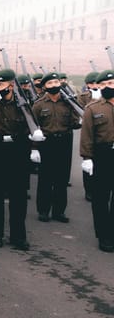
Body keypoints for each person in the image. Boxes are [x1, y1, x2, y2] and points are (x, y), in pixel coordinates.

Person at [0, 69, 31, 250]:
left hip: (18, 152)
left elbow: (31, 125)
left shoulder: (23, 103)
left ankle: (18, 236)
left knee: (18, 196)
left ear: (12, 85)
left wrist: (34, 144)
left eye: (2, 84)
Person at [31, 72, 81, 223]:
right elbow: (32, 127)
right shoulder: (39, 105)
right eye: (50, 83)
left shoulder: (68, 102)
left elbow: (74, 123)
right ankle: (44, 210)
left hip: (64, 142)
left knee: (62, 178)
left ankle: (59, 211)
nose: (54, 86)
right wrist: (34, 148)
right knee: (46, 177)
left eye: (56, 82)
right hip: (47, 143)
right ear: (45, 87)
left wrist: (79, 115)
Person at [80, 70, 114, 252]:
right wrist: (87, 158)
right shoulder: (93, 109)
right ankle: (104, 235)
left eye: (111, 83)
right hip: (103, 155)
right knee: (101, 197)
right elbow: (86, 135)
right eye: (103, 85)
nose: (107, 87)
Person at [78, 72, 101, 202]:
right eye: (92, 83)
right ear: (87, 85)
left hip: (103, 134)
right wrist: (94, 101)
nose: (95, 85)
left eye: (97, 83)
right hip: (89, 132)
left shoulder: (106, 95)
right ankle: (89, 190)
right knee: (89, 162)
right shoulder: (83, 97)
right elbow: (82, 111)